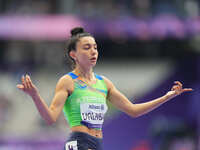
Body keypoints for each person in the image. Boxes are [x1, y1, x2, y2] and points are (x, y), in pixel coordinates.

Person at [17, 27, 193, 150]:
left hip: (97, 143)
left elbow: (133, 110)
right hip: (79, 142)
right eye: (87, 48)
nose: (93, 51)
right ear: (74, 55)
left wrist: (166, 97)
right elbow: (50, 118)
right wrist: (35, 95)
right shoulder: (67, 82)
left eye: (95, 47)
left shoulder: (104, 83)